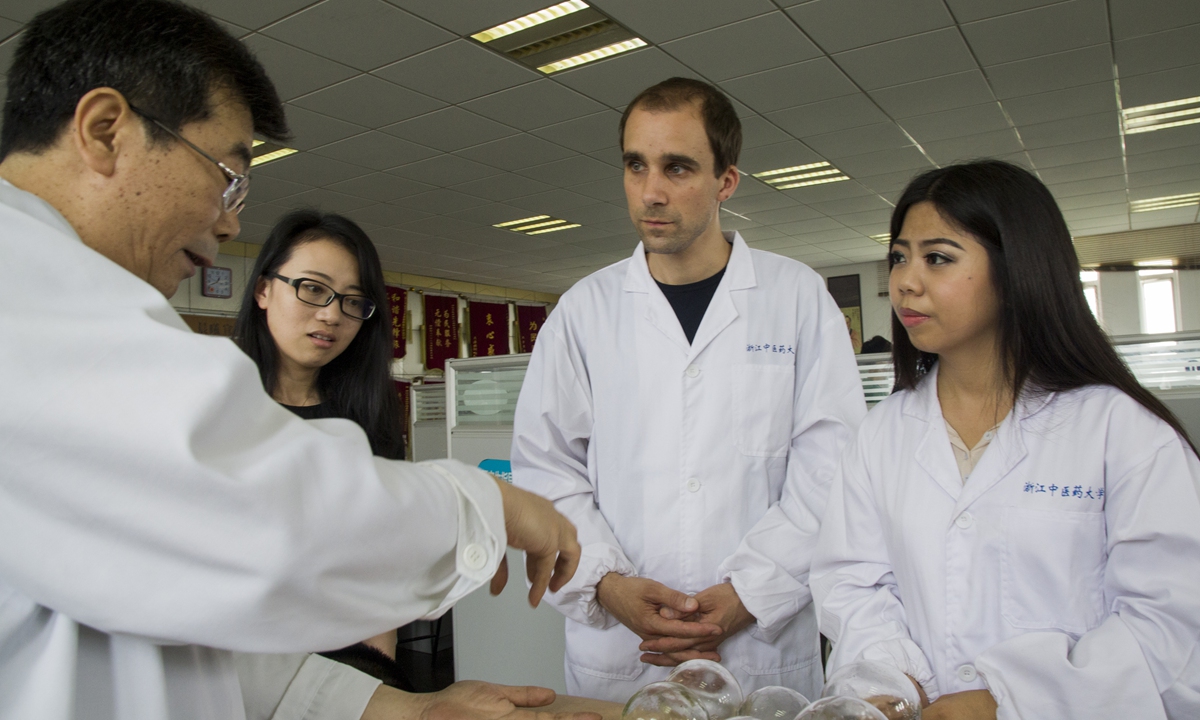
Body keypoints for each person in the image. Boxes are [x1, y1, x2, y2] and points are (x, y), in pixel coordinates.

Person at [0, 2, 584, 719]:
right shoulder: (28, 292)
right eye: (225, 175)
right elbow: (265, 523)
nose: (229, 218)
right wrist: (484, 503)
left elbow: (172, 626)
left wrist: (402, 708)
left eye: (351, 301)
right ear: (104, 132)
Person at [510, 77, 866, 702]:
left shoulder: (797, 299)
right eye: (635, 165)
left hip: (759, 650)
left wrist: (748, 595)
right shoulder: (582, 313)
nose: (651, 191)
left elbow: (831, 471)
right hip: (623, 651)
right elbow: (546, 468)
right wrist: (607, 584)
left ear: (726, 181)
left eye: (677, 168)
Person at [811, 160, 1200, 719]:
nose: (905, 281)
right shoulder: (883, 434)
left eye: (937, 258)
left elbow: (1172, 621)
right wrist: (893, 681)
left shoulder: (1122, 431)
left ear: (1016, 269)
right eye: (899, 257)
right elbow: (852, 583)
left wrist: (1009, 701)